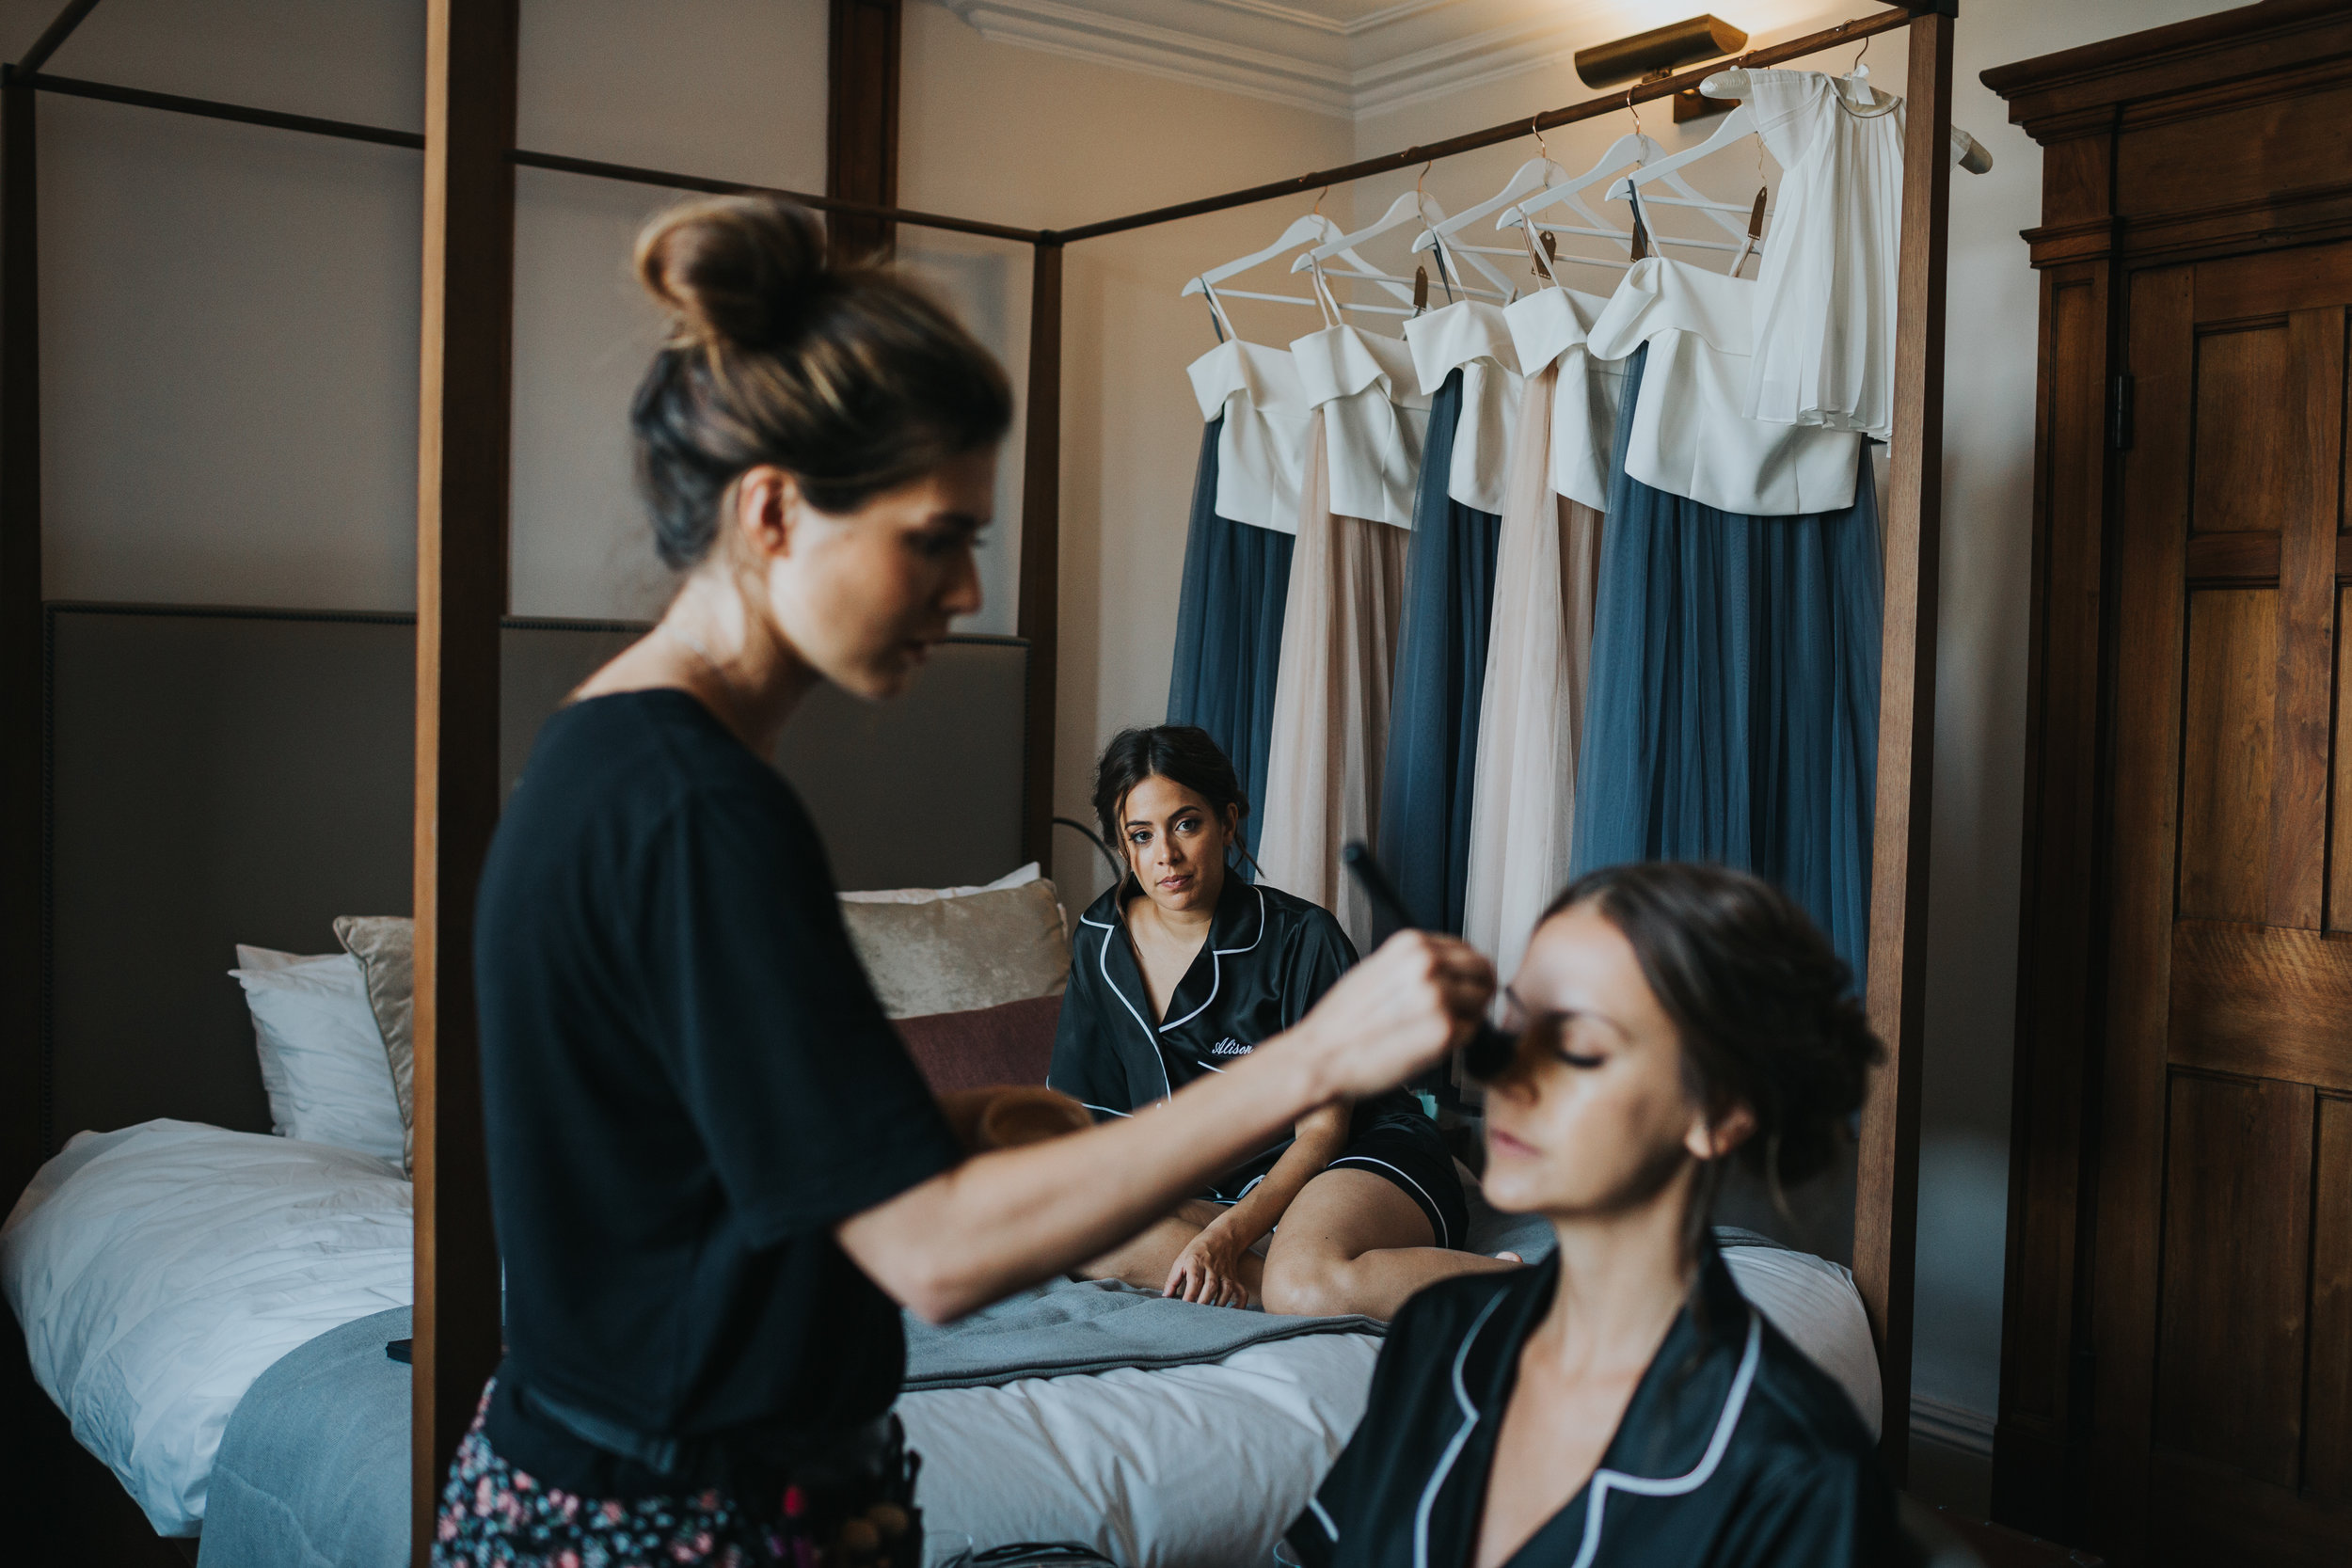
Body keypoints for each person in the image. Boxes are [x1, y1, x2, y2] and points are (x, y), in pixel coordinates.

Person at [441, 196, 1495, 1568]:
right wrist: (1318, 1058)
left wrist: (971, 1112)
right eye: (934, 537)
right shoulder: (702, 811)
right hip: (670, 1516)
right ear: (773, 510)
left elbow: (696, 1157)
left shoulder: (610, 757)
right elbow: (930, 1255)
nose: (965, 589)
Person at [1286, 863, 1903, 1568]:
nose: (1508, 1076)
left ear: (1719, 1112)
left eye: (1577, 1046)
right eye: (1513, 1025)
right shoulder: (1438, 1333)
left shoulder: (1796, 1474)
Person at [1051, 724, 1519, 1318]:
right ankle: (1298, 1275)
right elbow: (1092, 1124)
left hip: (1353, 1155)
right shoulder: (1099, 941)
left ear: (1227, 822)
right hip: (1222, 1189)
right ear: (1123, 845)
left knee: (1301, 1285)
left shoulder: (1303, 937)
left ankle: (1523, 1288)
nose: (1165, 855)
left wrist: (1223, 1238)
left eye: (1186, 824)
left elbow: (1322, 1134)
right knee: (1072, 1231)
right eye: (1141, 835)